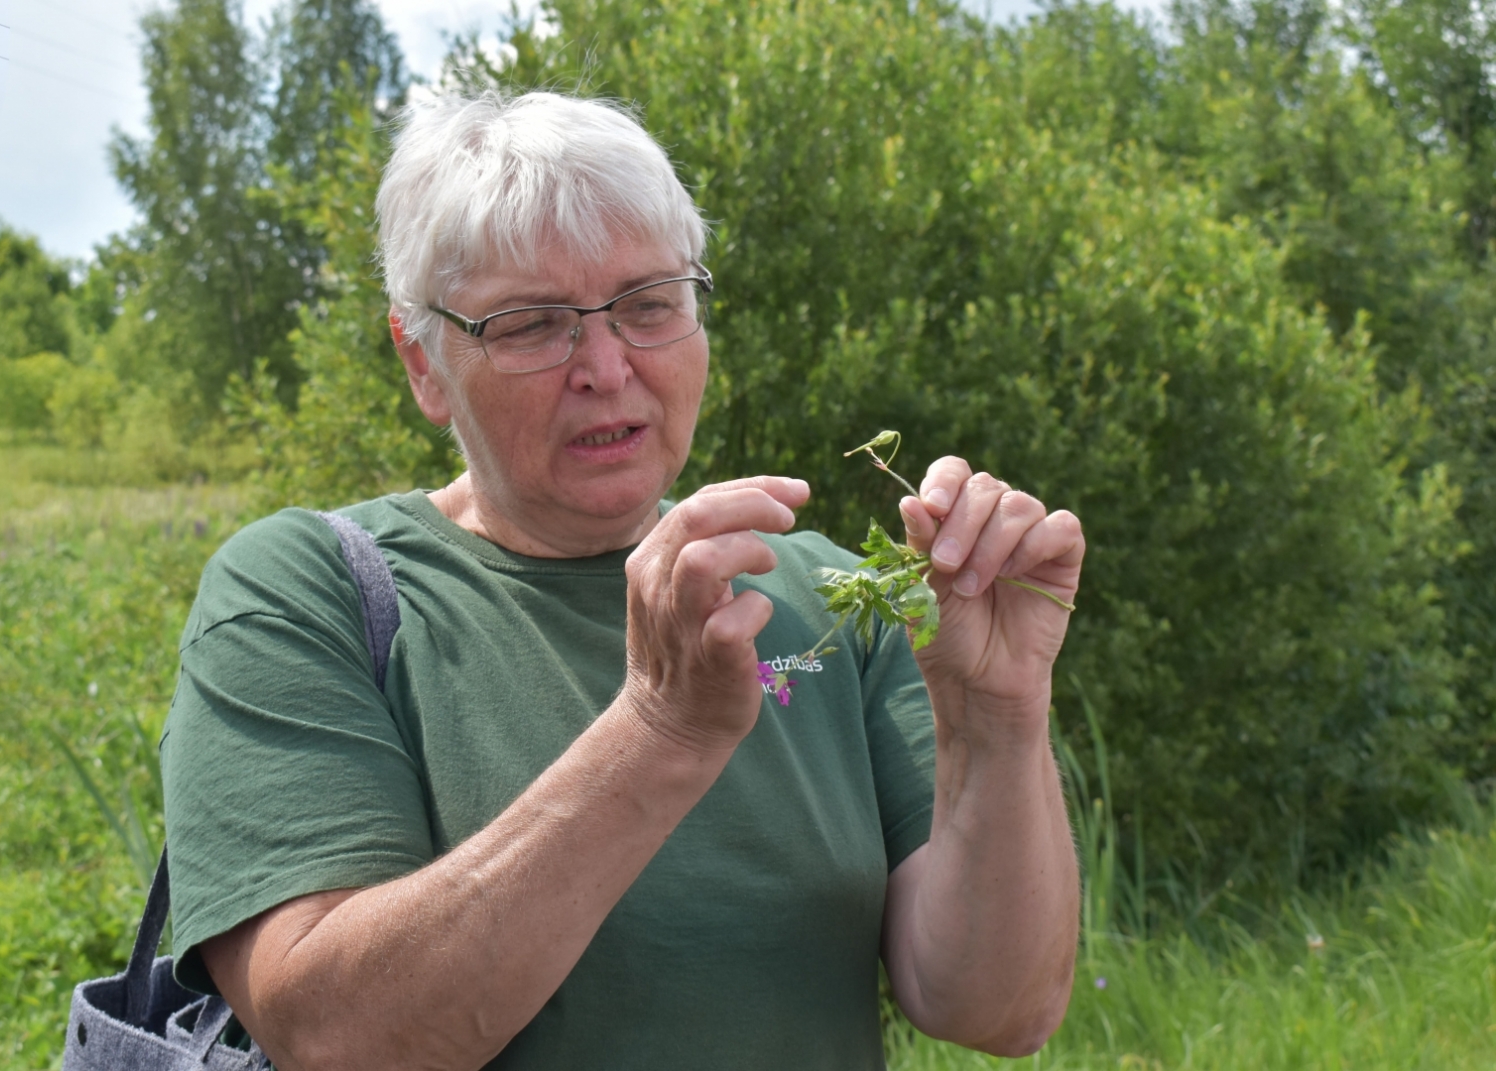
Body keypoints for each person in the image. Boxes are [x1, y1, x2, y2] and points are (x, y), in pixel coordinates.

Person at [159, 90, 1084, 1071]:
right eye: (529, 324)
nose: (605, 366)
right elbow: (336, 1035)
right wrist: (658, 731)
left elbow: (1000, 1008)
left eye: (648, 305)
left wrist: (998, 716)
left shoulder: (829, 601)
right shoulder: (306, 594)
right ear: (423, 362)